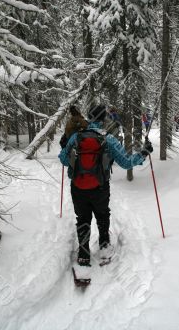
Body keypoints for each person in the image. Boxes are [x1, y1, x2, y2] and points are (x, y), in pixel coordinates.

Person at [59, 104, 153, 270]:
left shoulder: (76, 137)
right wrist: (143, 153)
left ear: (89, 117)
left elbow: (64, 160)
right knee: (102, 215)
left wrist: (65, 145)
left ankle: (83, 254)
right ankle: (104, 245)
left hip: (78, 187)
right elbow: (126, 163)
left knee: (83, 219)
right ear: (103, 119)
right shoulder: (108, 139)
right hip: (100, 187)